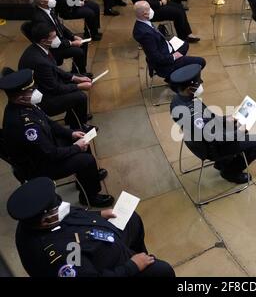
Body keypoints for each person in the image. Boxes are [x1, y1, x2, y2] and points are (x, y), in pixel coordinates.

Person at [7, 177, 175, 277]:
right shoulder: (59, 256)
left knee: (132, 219)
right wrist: (132, 267)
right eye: (56, 209)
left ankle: (138, 253)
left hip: (103, 237)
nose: (62, 207)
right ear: (45, 221)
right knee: (163, 271)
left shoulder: (37, 218)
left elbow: (69, 215)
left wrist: (99, 215)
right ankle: (140, 262)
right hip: (113, 267)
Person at [0, 70, 113, 207]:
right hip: (40, 166)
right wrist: (76, 147)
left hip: (47, 148)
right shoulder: (25, 126)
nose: (36, 92)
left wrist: (70, 134)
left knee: (81, 138)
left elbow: (49, 123)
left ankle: (87, 177)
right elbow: (50, 154)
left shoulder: (24, 104)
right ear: (20, 98)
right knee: (87, 160)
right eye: (31, 90)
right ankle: (90, 196)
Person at [170, 64, 256, 184]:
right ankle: (230, 172)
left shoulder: (178, 100)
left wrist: (226, 119)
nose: (201, 84)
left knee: (234, 124)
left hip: (197, 141)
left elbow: (207, 119)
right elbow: (215, 138)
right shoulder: (193, 113)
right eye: (198, 84)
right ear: (190, 88)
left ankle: (223, 163)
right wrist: (240, 132)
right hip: (211, 149)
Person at [18, 23, 93, 130]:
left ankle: (73, 118)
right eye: (53, 37)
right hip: (44, 99)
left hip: (47, 85)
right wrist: (79, 86)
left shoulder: (39, 48)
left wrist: (75, 78)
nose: (57, 39)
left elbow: (55, 69)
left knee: (75, 79)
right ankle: (80, 127)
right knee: (81, 97)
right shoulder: (39, 61)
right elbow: (55, 88)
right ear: (44, 40)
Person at [132, 1, 205, 80]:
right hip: (165, 63)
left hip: (165, 49)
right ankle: (177, 81)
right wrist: (174, 56)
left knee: (185, 44)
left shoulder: (143, 22)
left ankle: (180, 69)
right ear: (145, 14)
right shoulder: (146, 34)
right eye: (149, 9)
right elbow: (156, 58)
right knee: (201, 61)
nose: (152, 10)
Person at [31, 0, 90, 75]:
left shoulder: (48, 8)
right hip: (53, 47)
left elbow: (60, 26)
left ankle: (80, 70)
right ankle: (80, 73)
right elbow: (53, 43)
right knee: (78, 51)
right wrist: (72, 43)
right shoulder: (40, 19)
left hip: (59, 38)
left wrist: (73, 36)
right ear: (42, 2)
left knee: (83, 42)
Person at [127, 0, 199, 42]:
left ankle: (188, 34)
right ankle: (183, 37)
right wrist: (160, 3)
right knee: (177, 12)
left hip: (157, 3)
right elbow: (145, 3)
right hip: (150, 11)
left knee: (179, 7)